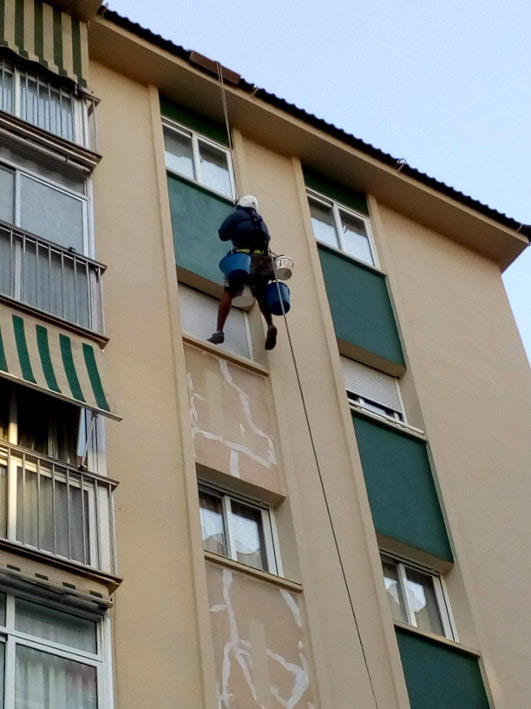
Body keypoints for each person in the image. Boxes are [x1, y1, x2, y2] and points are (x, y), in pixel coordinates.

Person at [208, 195, 278, 350]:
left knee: (229, 292)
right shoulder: (261, 221)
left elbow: (223, 234)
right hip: (262, 262)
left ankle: (219, 331)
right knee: (260, 295)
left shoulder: (237, 215)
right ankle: (270, 325)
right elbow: (267, 239)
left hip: (242, 259)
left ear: (241, 205)